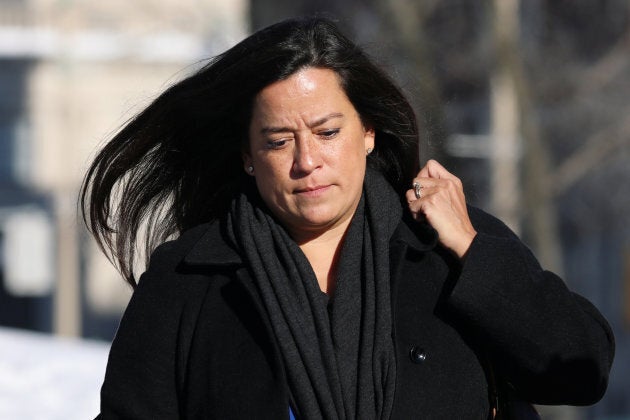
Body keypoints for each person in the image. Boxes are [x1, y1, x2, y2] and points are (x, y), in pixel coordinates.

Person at [83, 17, 614, 419]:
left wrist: (474, 252)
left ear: (368, 133)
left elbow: (580, 368)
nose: (306, 160)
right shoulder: (188, 278)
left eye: (328, 132)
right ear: (248, 155)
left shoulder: (441, 248)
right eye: (277, 140)